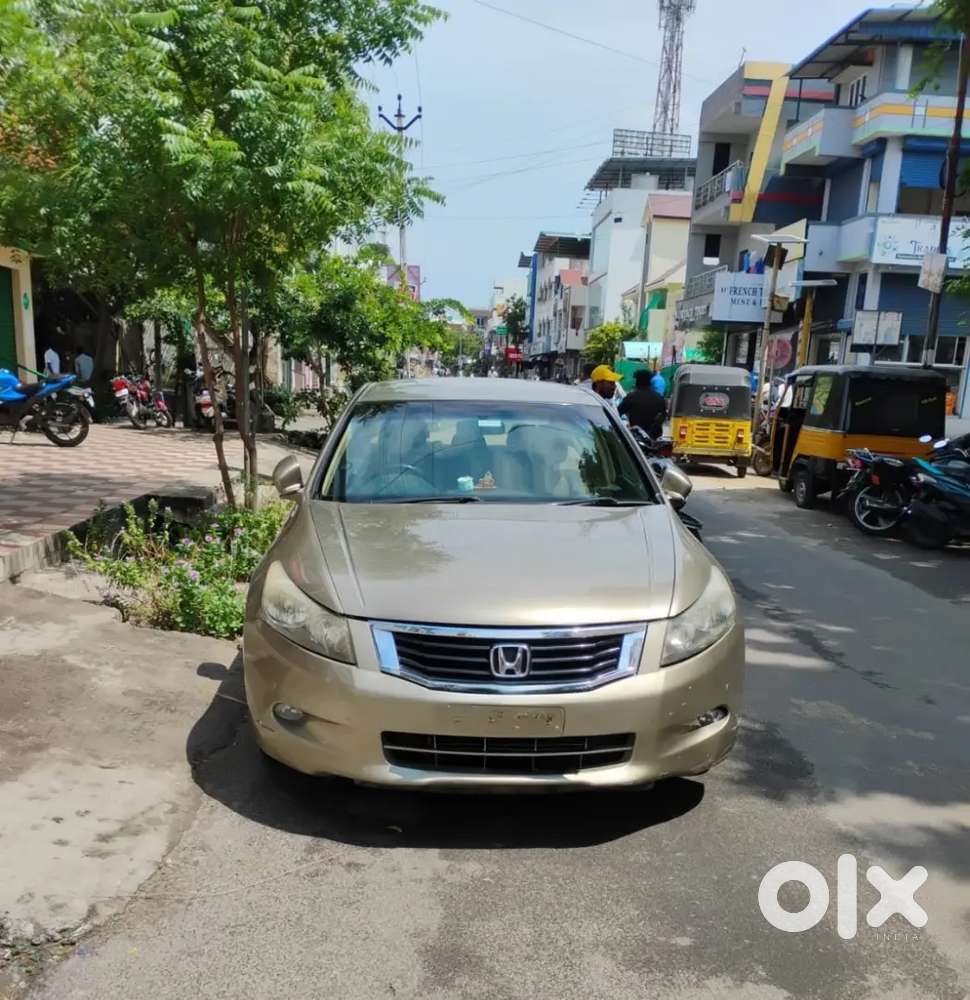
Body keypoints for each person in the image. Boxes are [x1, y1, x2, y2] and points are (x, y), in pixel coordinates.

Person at [619, 368, 667, 438]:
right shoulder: (659, 397)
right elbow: (663, 415)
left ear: (637, 381)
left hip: (636, 437)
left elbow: (618, 412)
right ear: (650, 381)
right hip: (655, 437)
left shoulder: (631, 397)